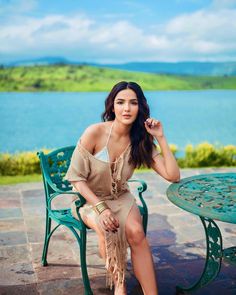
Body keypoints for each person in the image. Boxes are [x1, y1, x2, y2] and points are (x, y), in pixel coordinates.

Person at [64, 81, 180, 295]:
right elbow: (76, 179)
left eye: (133, 103)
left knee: (136, 233)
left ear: (140, 107)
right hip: (89, 200)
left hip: (120, 197)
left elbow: (172, 176)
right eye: (121, 102)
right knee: (107, 227)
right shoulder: (94, 132)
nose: (127, 108)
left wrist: (160, 137)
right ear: (112, 106)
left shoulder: (141, 140)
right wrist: (101, 208)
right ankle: (120, 285)